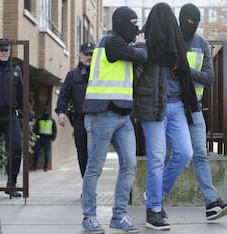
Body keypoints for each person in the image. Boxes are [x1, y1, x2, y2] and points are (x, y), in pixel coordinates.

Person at [80, 6, 147, 233]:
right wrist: (141, 44)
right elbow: (142, 56)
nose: (135, 29)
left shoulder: (120, 43)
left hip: (122, 115)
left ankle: (118, 216)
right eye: (132, 24)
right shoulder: (111, 41)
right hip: (102, 114)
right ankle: (89, 216)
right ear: (120, 23)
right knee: (94, 168)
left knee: (129, 164)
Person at [134, 2, 198, 231]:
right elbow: (134, 76)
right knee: (157, 157)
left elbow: (186, 77)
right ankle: (153, 209)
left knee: (185, 153)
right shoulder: (144, 45)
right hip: (153, 108)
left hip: (177, 106)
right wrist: (139, 48)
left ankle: (155, 196)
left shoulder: (176, 46)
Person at [177, 3, 227, 220]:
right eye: (189, 20)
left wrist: (187, 71)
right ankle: (154, 198)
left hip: (194, 110)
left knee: (200, 154)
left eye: (196, 21)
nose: (192, 25)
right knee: (172, 157)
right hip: (172, 108)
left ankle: (211, 203)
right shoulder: (170, 39)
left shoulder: (201, 43)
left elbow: (209, 77)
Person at [55, 42, 94, 178]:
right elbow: (64, 95)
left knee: (95, 153)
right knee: (82, 153)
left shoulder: (100, 74)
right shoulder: (72, 75)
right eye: (87, 54)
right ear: (80, 55)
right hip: (79, 119)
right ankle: (87, 185)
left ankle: (91, 185)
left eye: (92, 54)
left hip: (97, 119)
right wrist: (61, 112)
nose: (89, 57)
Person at [0, 38, 23, 197]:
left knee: (16, 148)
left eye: (6, 50)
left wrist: (27, 112)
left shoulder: (16, 70)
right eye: (1, 50)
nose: (4, 53)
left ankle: (11, 184)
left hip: (10, 115)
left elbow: (21, 94)